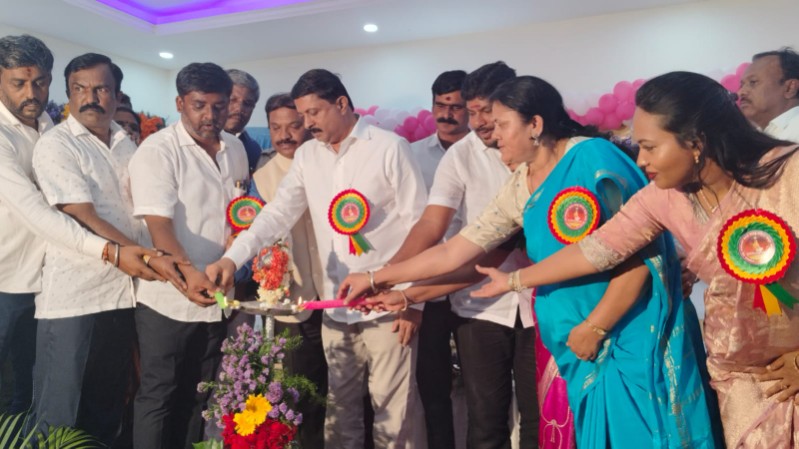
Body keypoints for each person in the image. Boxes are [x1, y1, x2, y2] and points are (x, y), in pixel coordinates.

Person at [339, 75, 723, 448]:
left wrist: (596, 326)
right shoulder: (520, 185)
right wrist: (377, 278)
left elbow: (641, 253)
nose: (492, 134)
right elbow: (454, 251)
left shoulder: (592, 157)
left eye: (501, 124)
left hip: (626, 334)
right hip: (573, 344)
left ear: (535, 125)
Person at [464, 71, 799, 448]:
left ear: (696, 142)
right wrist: (514, 280)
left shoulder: (790, 173)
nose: (641, 160)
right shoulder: (665, 196)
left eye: (650, 147)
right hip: (739, 378)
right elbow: (598, 249)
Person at [206, 68, 427, 449]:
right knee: (340, 409)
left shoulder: (389, 147)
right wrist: (232, 258)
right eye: (303, 115)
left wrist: (413, 299)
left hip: (388, 306)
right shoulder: (309, 155)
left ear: (341, 103)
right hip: (335, 305)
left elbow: (420, 224)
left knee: (394, 411)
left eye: (313, 113)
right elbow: (276, 214)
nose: (307, 124)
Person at [0, 34, 165, 417]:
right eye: (19, 83)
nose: (31, 93)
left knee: (28, 396)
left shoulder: (48, 126)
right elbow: (37, 212)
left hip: (45, 280)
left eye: (40, 82)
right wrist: (110, 251)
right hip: (6, 279)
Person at [391, 63, 538, 449]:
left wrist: (395, 284)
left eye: (487, 111)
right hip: (479, 308)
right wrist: (390, 276)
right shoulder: (460, 156)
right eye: (471, 112)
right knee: (485, 419)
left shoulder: (544, 151)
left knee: (540, 417)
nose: (479, 123)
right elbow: (433, 225)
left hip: (542, 302)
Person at [128, 62, 248, 449]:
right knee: (159, 394)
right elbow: (159, 226)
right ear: (180, 103)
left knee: (201, 394)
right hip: (168, 300)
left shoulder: (235, 149)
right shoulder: (157, 151)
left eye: (219, 106)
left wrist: (236, 256)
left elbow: (239, 214)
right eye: (199, 105)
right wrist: (188, 273)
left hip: (218, 296)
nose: (210, 115)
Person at [30, 52, 143, 445]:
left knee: (107, 409)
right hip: (74, 301)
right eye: (79, 89)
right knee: (60, 419)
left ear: (117, 95)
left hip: (122, 296)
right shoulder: (57, 144)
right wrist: (145, 256)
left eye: (101, 89)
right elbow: (81, 213)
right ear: (67, 94)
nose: (90, 98)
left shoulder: (127, 144)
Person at [243, 92, 328, 448]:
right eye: (275, 128)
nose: (284, 136)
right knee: (297, 391)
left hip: (335, 295)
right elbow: (254, 238)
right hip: (290, 302)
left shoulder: (329, 162)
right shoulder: (262, 178)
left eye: (293, 126)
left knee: (338, 388)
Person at [403, 69, 469, 449]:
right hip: (428, 289)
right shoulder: (412, 155)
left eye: (456, 106)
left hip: (476, 286)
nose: (447, 114)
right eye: (440, 105)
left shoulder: (488, 152)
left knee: (480, 389)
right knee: (433, 385)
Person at [739, 47, 799, 142]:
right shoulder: (754, 136)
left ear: (789, 88)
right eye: (741, 85)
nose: (740, 92)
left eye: (753, 82)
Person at [225, 68, 263, 174]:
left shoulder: (254, 150)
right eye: (232, 100)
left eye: (247, 103)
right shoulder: (197, 143)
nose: (239, 109)